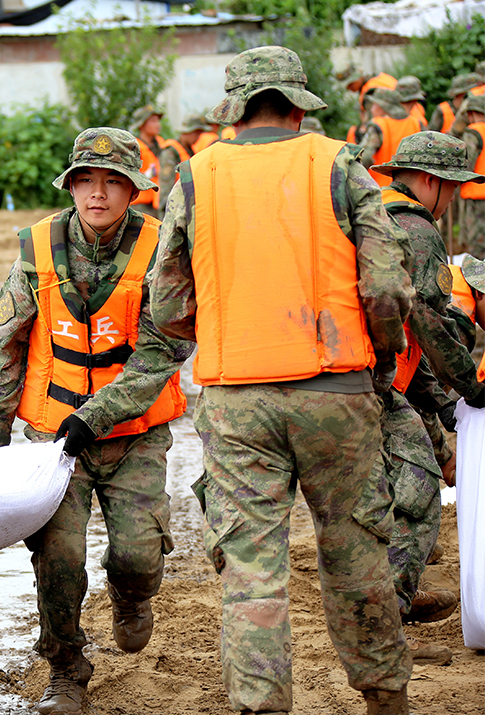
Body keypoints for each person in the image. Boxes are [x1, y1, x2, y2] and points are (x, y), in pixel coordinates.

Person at [148, 46, 414, 714]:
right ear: (298, 104)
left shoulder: (194, 176)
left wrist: (221, 335)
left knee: (252, 565)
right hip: (336, 391)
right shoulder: (340, 163)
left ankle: (261, 705)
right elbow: (384, 286)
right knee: (355, 551)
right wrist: (379, 360)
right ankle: (385, 698)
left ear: (235, 109)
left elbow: (166, 304)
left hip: (237, 398)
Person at [0, 127, 191, 715]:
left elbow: (163, 351)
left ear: (134, 191)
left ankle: (132, 594)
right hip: (53, 442)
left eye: (112, 182)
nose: (97, 193)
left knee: (138, 555)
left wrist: (96, 416)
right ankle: (66, 667)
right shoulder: (37, 247)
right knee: (57, 561)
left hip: (135, 435)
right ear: (71, 187)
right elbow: (6, 342)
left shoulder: (161, 250)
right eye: (85, 181)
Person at [370, 131, 485, 660]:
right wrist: (470, 386)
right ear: (434, 183)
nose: (456, 198)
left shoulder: (376, 213)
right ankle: (385, 617)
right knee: (417, 494)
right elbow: (429, 322)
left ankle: (394, 594)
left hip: (363, 375)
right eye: (454, 188)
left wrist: (443, 404)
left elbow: (408, 342)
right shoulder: (415, 228)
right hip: (365, 382)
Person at [360, 89, 423, 186]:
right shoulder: (416, 123)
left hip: (380, 190)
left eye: (374, 105)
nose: (372, 109)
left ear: (383, 106)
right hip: (411, 188)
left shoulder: (378, 124)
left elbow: (365, 157)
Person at [455, 95, 485, 258]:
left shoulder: (473, 131)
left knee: (477, 245)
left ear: (472, 113)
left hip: (476, 195)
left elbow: (467, 164)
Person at [341, 68, 397, 144]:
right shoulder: (382, 79)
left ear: (358, 77)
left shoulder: (370, 90)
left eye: (350, 84)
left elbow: (369, 120)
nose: (348, 88)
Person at [128, 105, 163, 217]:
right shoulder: (134, 146)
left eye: (157, 121)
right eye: (153, 121)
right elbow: (127, 173)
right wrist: (145, 175)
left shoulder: (162, 144)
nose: (158, 124)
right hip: (140, 204)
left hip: (159, 201)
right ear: (142, 124)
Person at [157, 115, 205, 197]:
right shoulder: (170, 152)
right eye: (196, 133)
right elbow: (166, 186)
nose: (198, 137)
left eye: (199, 133)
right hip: (172, 204)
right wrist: (165, 208)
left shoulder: (190, 151)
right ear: (187, 131)